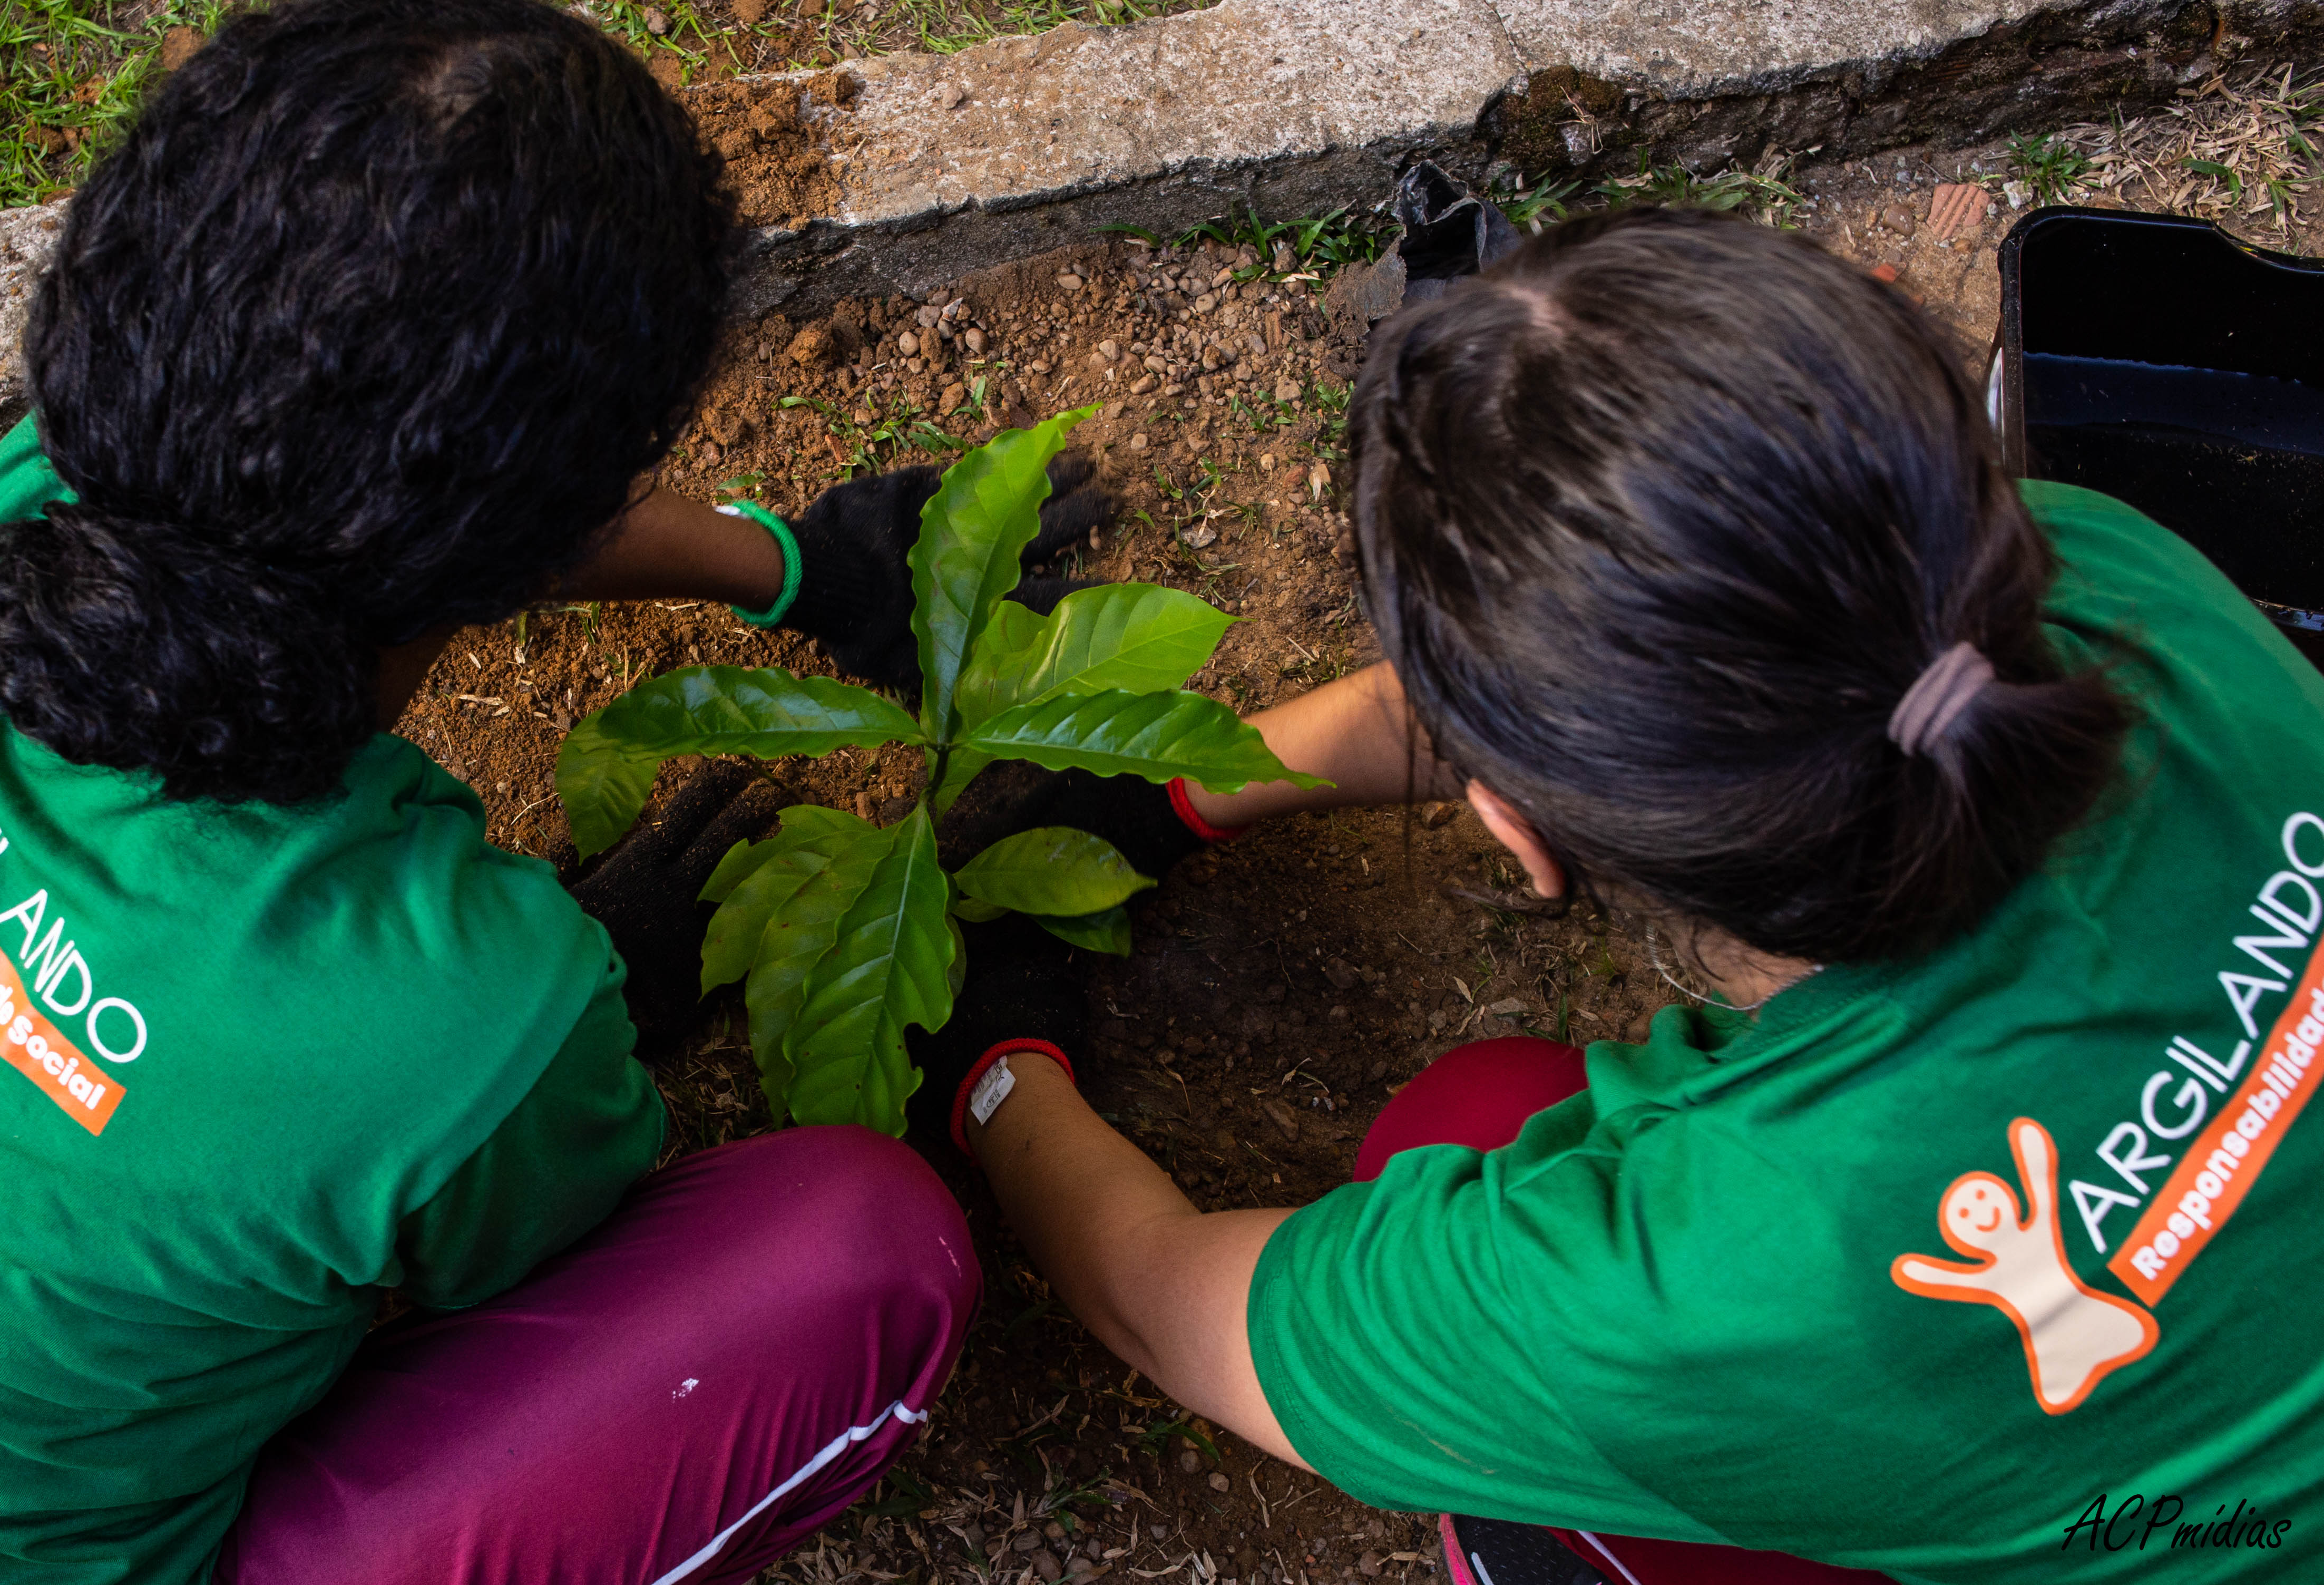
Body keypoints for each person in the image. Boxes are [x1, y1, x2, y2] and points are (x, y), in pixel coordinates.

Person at [0, 3, 1115, 1580]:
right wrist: (519, 1045)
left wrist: (788, 567)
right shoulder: (461, 1006)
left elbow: (380, 501)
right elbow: (515, 1253)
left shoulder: (40, 500)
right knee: (859, 1258)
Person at [933, 208, 2324, 1583]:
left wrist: (1000, 1059)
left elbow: (1164, 1305)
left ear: (1518, 836)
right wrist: (1179, 789)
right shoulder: (2126, 591)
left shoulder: (1680, 1289)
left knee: (1470, 1133)